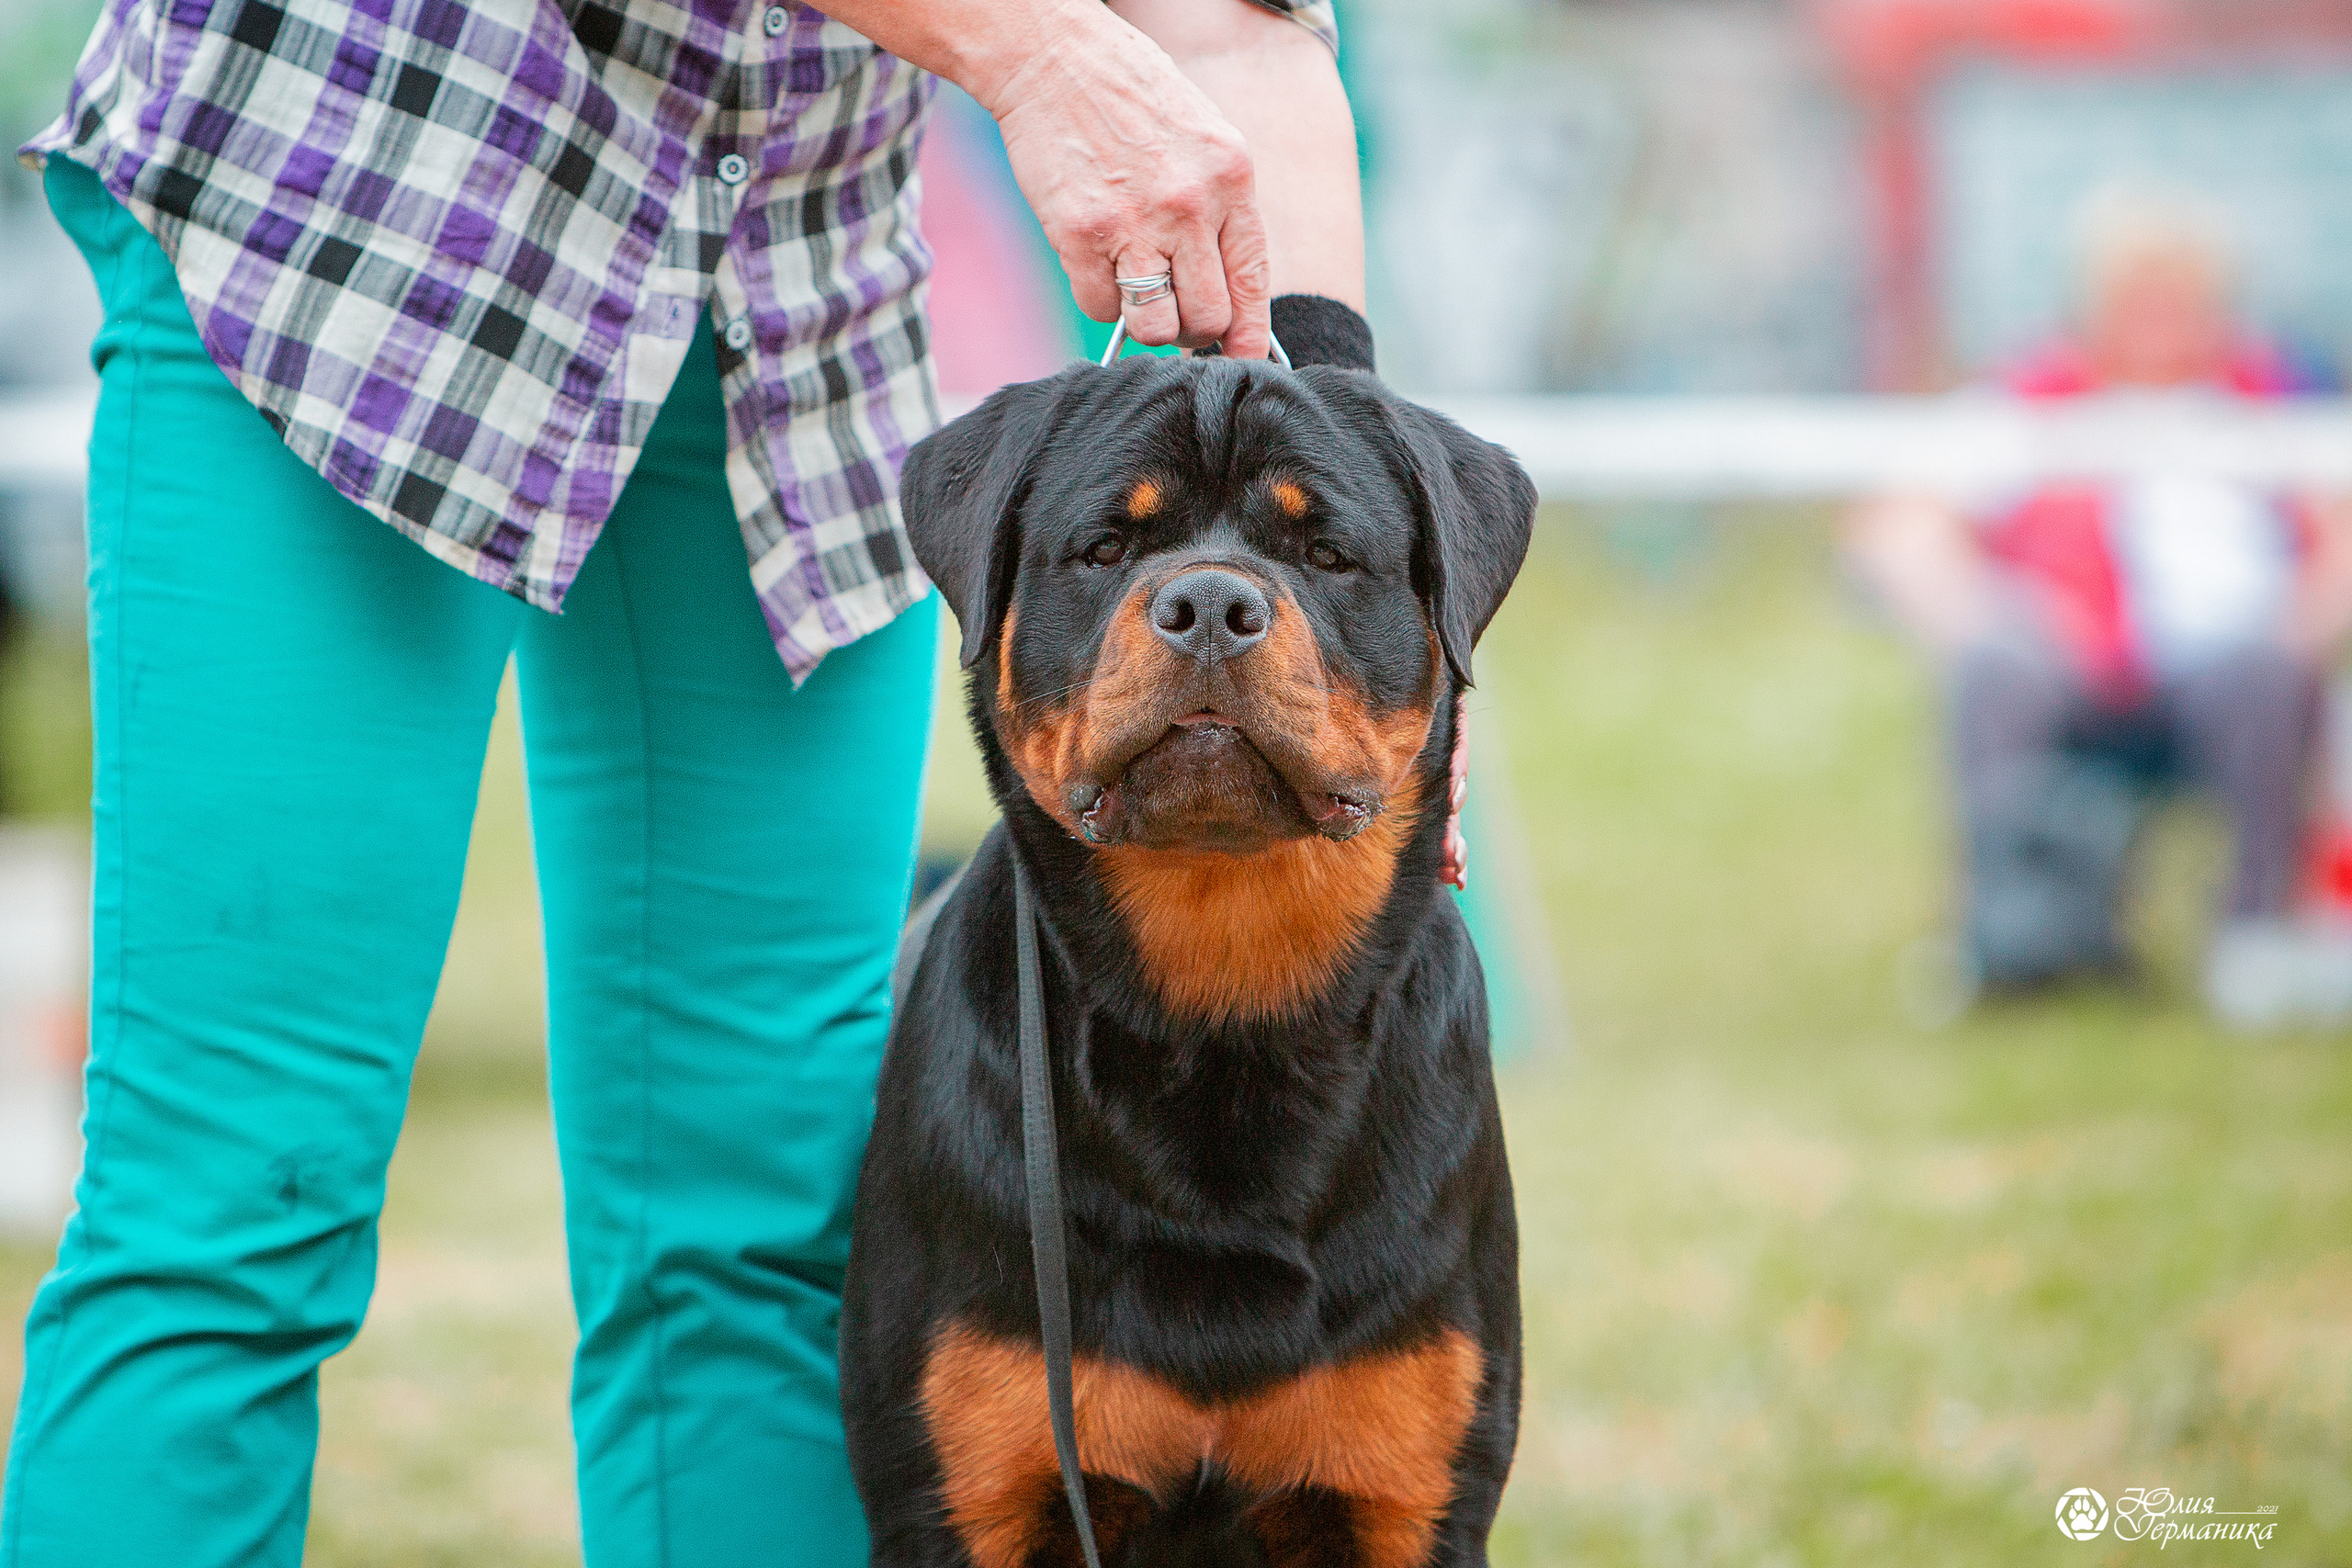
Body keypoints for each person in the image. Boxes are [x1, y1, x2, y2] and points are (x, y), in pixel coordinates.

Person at [0, 2, 1375, 1564]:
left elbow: (1244, 45)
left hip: (782, 314)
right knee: (237, 1205)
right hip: (352, 221)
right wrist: (1040, 50)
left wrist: (1351, 614)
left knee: (759, 1225)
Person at [1849, 187, 2352, 1030]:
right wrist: (1981, 613)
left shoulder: (2269, 401)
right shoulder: (2034, 396)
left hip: (2225, 668)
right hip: (2067, 668)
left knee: (2267, 673)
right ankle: (2005, 933)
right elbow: (1897, 524)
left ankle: (2255, 940)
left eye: (2179, 298)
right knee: (1994, 666)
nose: (2157, 320)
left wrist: (2299, 625)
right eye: (2135, 297)